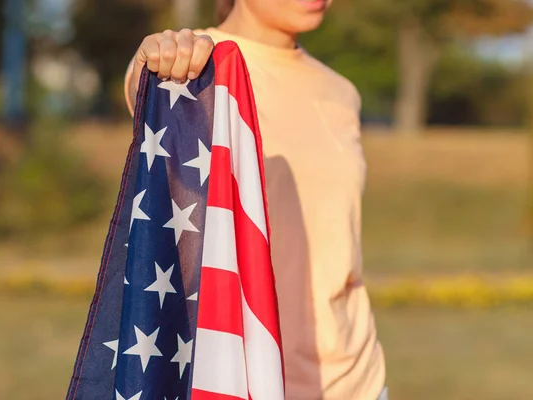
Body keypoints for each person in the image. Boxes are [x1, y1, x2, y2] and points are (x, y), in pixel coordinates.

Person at [123, 0, 388, 399]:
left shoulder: (342, 91)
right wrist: (157, 60)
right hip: (248, 377)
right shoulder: (197, 66)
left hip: (358, 378)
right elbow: (146, 82)